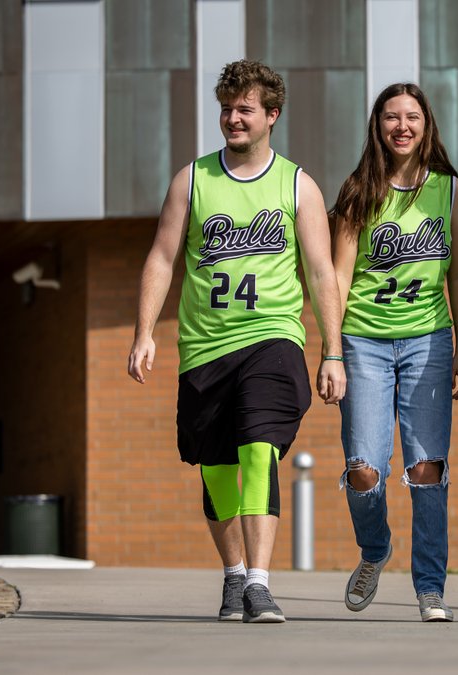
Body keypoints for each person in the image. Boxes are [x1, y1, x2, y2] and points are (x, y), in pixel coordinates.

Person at [127, 60, 345, 624]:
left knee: (258, 448)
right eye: (227, 108)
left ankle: (259, 583)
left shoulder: (298, 185)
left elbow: (322, 272)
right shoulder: (192, 180)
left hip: (272, 336)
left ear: (272, 115)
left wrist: (332, 351)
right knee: (217, 465)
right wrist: (144, 332)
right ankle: (233, 575)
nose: (233, 119)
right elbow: (162, 257)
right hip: (204, 346)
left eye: (245, 109)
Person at [330, 83, 458, 622]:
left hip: (429, 341)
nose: (403, 126)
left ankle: (430, 588)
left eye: (412, 116)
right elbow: (338, 278)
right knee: (364, 467)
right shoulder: (357, 190)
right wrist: (331, 351)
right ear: (378, 126)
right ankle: (375, 548)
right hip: (363, 341)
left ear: (426, 124)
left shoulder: (450, 190)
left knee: (427, 467)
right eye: (392, 117)